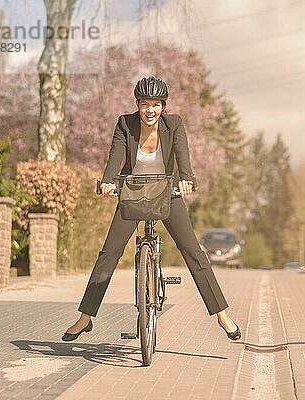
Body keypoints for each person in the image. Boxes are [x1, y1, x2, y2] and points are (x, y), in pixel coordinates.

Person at [62, 76, 240, 342]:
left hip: (167, 193)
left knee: (192, 250)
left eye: (156, 105)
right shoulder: (125, 124)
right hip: (132, 193)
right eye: (145, 104)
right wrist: (108, 182)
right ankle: (85, 317)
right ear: (137, 104)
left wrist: (187, 179)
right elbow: (116, 156)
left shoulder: (174, 125)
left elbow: (182, 154)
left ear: (163, 107)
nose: (150, 111)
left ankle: (221, 314)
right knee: (109, 252)